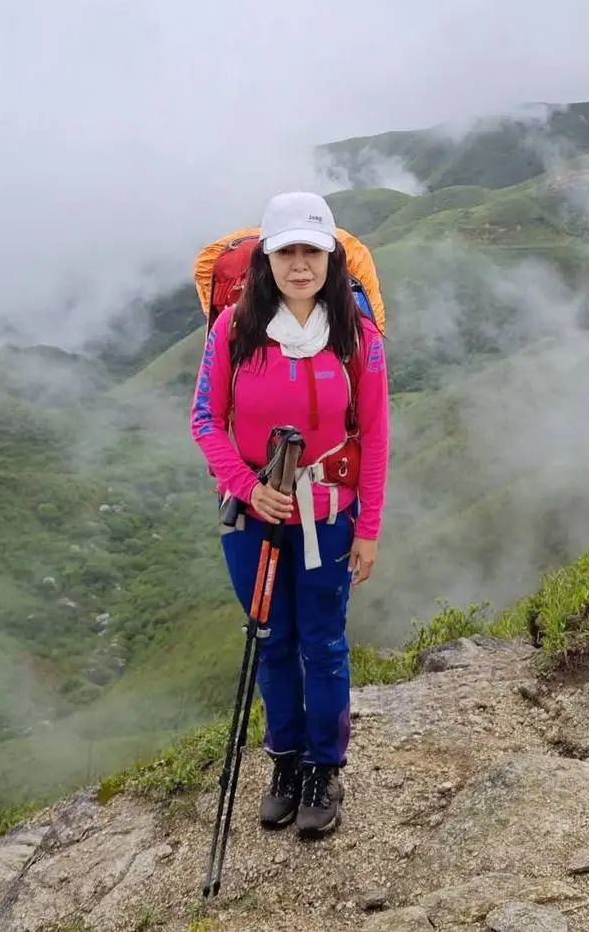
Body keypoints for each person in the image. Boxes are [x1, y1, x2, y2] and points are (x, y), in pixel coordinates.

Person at [190, 191, 390, 839]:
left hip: (329, 516)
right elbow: (203, 420)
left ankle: (322, 769)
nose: (299, 264)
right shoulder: (234, 330)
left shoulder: (357, 336)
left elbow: (378, 435)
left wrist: (368, 528)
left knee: (324, 644)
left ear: (330, 258)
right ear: (266, 260)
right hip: (254, 519)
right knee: (272, 641)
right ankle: (283, 759)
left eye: (312, 250)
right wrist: (248, 488)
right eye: (287, 251)